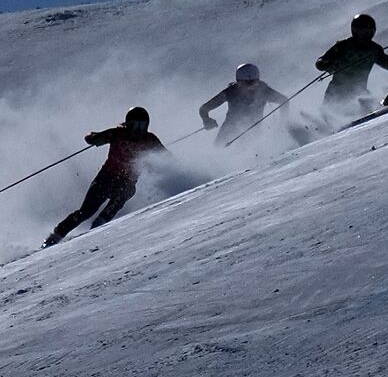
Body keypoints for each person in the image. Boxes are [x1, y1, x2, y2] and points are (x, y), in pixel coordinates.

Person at [42, 106, 168, 247]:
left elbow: (166, 157)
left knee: (123, 194)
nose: (138, 130)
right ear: (128, 123)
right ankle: (55, 236)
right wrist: (94, 139)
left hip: (126, 181)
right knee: (86, 212)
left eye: (141, 125)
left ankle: (98, 227)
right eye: (134, 125)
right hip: (106, 178)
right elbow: (91, 136)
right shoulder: (118, 133)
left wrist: (160, 162)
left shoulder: (149, 140)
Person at [315, 14, 388, 116]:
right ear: (354, 31)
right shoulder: (343, 45)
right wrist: (326, 64)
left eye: (368, 32)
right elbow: (321, 61)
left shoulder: (374, 49)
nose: (364, 36)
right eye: (361, 32)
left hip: (359, 91)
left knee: (367, 106)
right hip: (337, 90)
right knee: (329, 113)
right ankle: (320, 124)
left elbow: (386, 62)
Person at [199, 63, 289, 145]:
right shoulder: (231, 92)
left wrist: (282, 123)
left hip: (253, 131)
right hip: (228, 131)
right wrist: (206, 120)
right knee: (219, 151)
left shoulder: (264, 90)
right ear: (239, 82)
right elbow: (204, 109)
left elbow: (284, 101)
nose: (250, 86)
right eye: (246, 83)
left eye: (253, 82)